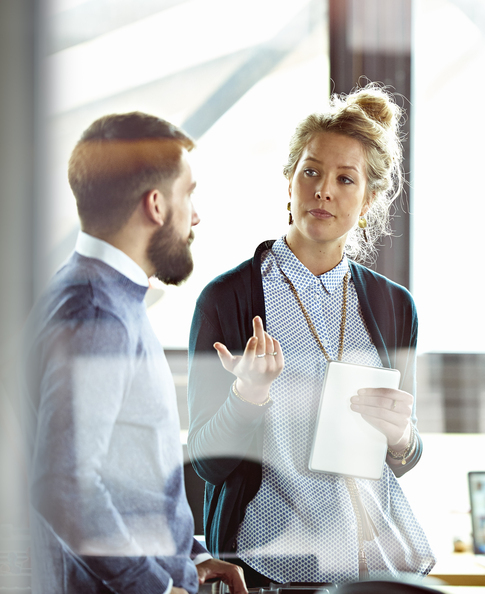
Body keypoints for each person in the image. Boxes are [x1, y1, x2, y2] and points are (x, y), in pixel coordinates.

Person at [187, 85, 434, 587]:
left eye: (346, 179)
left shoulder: (394, 307)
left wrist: (403, 437)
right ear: (289, 182)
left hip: (370, 564)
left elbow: (399, 458)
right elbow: (207, 466)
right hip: (264, 566)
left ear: (368, 199)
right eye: (312, 171)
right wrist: (247, 395)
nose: (324, 190)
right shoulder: (228, 300)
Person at [24, 112, 247, 594]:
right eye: (189, 193)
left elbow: (126, 476)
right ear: (155, 205)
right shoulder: (96, 313)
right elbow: (64, 485)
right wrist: (158, 588)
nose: (197, 214)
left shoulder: (102, 294)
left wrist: (190, 556)